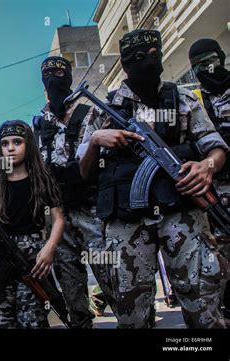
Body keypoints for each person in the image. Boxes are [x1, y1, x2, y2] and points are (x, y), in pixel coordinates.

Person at [78, 29, 229, 329]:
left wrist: (207, 166)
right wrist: (96, 140)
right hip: (127, 222)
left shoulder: (184, 99)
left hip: (182, 216)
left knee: (204, 309)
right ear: (123, 64)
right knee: (131, 314)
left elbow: (216, 146)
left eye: (154, 55)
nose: (148, 62)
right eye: (138, 58)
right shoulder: (103, 111)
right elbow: (83, 171)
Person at [33, 56, 116, 327]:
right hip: (57, 217)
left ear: (69, 79)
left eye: (59, 75)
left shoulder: (91, 114)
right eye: (48, 77)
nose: (54, 81)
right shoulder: (38, 124)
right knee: (72, 292)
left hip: (90, 211)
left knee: (112, 282)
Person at [0, 120, 64, 328]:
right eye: (4, 143)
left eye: (17, 142)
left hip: (32, 260)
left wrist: (50, 248)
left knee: (32, 319)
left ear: (28, 144)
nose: (10, 147)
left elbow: (58, 218)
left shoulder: (42, 179)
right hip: (0, 258)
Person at [189, 38, 230, 323]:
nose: (206, 68)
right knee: (220, 265)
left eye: (210, 61)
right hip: (215, 196)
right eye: (198, 66)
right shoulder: (193, 101)